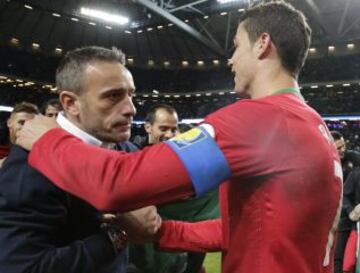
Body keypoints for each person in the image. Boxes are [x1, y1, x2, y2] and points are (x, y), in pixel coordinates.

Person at [16, 2, 342, 273]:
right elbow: (246, 227)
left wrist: (49, 139)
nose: (230, 59)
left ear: (262, 44)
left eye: (236, 46)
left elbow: (118, 185)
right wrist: (162, 232)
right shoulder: (314, 125)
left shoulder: (258, 120)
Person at [0, 46, 160, 273]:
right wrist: (118, 236)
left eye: (131, 94)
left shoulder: (126, 149)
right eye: (113, 96)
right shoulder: (31, 165)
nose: (131, 109)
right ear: (70, 103)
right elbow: (22, 266)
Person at [130, 104, 219, 273]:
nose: (170, 135)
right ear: (148, 127)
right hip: (144, 256)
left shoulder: (187, 160)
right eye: (163, 128)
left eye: (173, 129)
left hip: (183, 251)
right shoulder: (132, 159)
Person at [331, 131, 360, 273]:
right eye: (338, 148)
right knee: (338, 256)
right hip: (338, 215)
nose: (342, 150)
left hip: (353, 215)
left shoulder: (354, 158)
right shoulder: (325, 162)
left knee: (350, 261)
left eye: (343, 146)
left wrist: (352, 211)